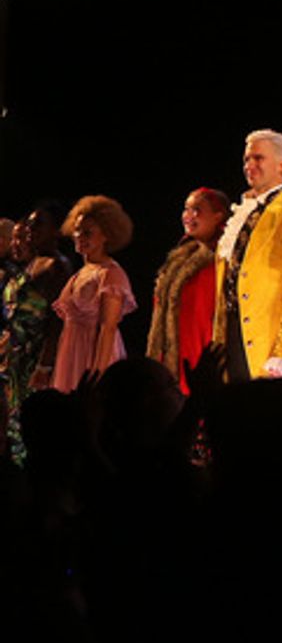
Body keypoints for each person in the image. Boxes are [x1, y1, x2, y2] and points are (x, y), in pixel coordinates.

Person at [213, 129, 282, 381]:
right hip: (231, 332)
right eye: (247, 159)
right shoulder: (242, 214)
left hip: (265, 342)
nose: (250, 165)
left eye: (258, 158)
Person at [1, 205, 74, 458]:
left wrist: (44, 364)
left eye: (38, 224)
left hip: (35, 353)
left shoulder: (57, 267)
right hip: (15, 353)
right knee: (10, 418)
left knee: (27, 420)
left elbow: (56, 321)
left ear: (56, 231)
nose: (31, 230)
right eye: (30, 224)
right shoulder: (29, 263)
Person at [147, 187, 231, 394]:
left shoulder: (225, 260)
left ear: (218, 216)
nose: (188, 216)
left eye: (197, 210)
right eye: (186, 209)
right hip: (172, 358)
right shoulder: (180, 259)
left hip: (201, 357)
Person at [49, 195, 137, 392]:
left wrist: (96, 375)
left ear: (106, 235)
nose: (79, 236)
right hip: (72, 352)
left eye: (87, 232)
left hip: (94, 354)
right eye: (77, 230)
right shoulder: (81, 273)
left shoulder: (110, 274)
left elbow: (108, 329)